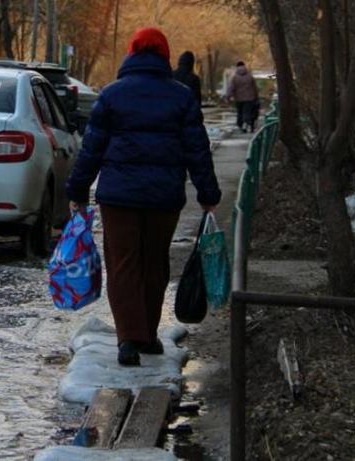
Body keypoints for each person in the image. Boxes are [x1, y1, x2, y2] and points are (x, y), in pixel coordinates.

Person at [65, 27, 222, 367]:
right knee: (155, 262)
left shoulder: (112, 95)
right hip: (164, 197)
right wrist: (208, 193)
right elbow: (197, 150)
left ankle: (128, 340)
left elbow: (91, 149)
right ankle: (148, 335)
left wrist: (77, 190)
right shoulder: (181, 97)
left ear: (132, 53)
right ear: (165, 56)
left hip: (119, 197)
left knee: (123, 266)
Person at [225, 61, 259, 132]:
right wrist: (256, 96)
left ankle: (241, 125)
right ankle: (246, 124)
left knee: (240, 112)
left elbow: (231, 88)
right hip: (250, 98)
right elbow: (254, 87)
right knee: (247, 112)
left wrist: (227, 97)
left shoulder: (234, 77)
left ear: (237, 67)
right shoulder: (250, 76)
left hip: (238, 99)